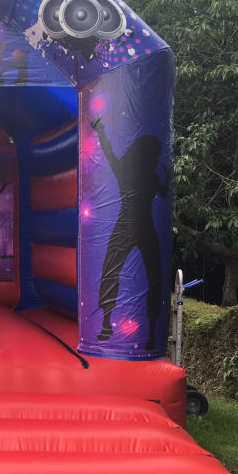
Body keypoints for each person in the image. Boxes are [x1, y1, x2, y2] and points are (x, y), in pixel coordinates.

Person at [91, 116, 169, 350]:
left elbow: (109, 153)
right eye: (155, 154)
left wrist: (101, 132)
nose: (156, 158)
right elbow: (163, 193)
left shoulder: (132, 171)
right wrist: (101, 132)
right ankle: (146, 330)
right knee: (149, 275)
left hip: (128, 226)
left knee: (113, 271)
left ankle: (111, 324)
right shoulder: (147, 174)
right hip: (141, 226)